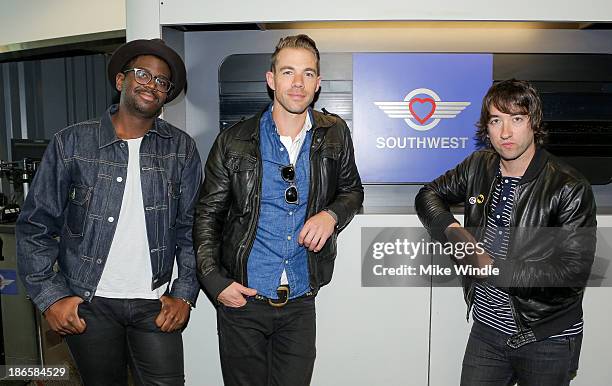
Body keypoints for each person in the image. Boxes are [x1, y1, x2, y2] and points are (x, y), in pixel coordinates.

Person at [16, 39, 202, 386]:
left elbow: (190, 229)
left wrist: (184, 294)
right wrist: (51, 297)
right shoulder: (71, 143)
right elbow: (35, 225)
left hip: (154, 303)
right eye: (143, 74)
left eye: (162, 81)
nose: (152, 85)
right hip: (89, 303)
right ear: (121, 80)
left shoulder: (181, 148)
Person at [193, 34, 363, 385]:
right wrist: (214, 281)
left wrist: (330, 215)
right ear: (271, 80)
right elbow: (207, 214)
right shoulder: (233, 140)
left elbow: (352, 192)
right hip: (242, 298)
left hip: (301, 298)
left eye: (307, 74)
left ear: (318, 84)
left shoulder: (335, 134)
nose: (297, 83)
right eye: (288, 72)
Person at [415, 79, 596, 385]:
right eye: (496, 120)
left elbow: (571, 273)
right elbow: (428, 195)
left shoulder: (569, 187)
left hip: (546, 336)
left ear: (534, 123)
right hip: (487, 331)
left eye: (517, 119)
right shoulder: (479, 166)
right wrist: (454, 231)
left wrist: (495, 268)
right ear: (486, 128)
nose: (506, 132)